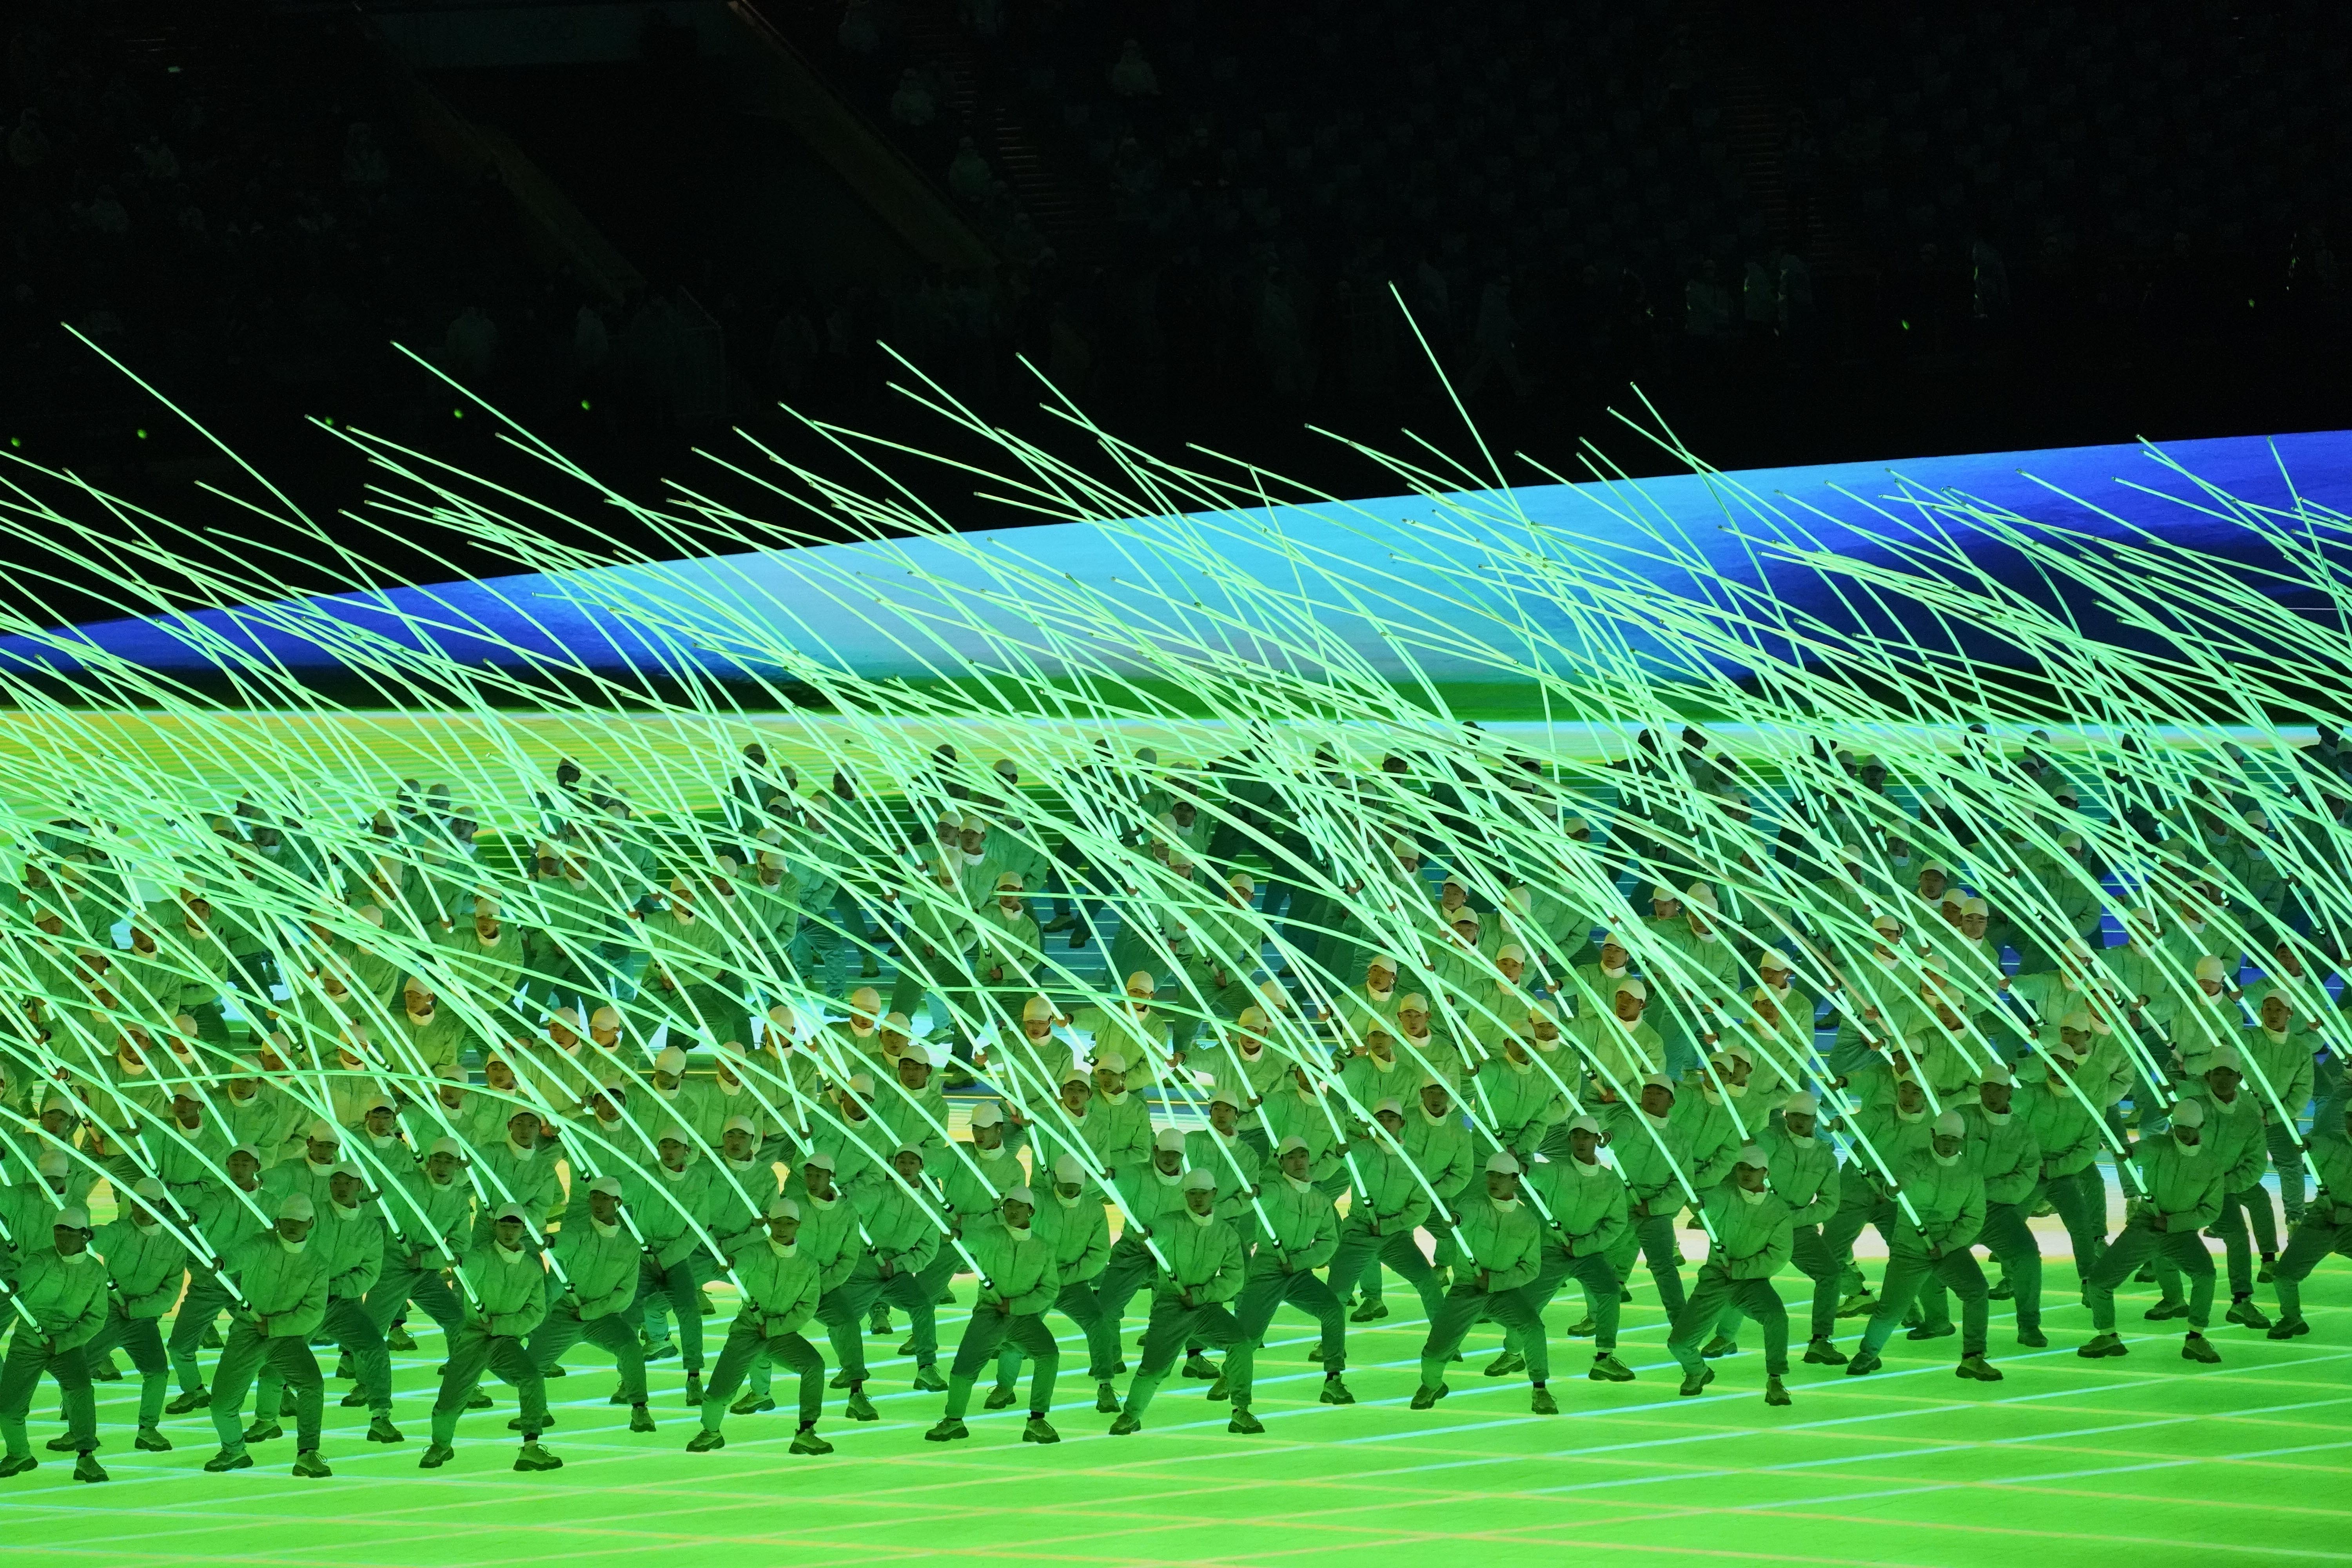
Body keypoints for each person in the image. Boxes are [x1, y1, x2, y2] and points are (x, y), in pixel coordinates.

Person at [1846, 1111, 1998, 1381]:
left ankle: (1974, 1358)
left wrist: (1949, 1245)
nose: (1949, 1144)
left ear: (1963, 1141)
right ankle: (1868, 1354)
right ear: (1932, 1135)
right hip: (1910, 1248)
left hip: (1948, 1248)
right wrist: (1895, 1190)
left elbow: (1974, 1218)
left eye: (1955, 1139)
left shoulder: (1971, 1174)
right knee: (1891, 1309)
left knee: (1977, 1290)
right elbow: (1905, 1179)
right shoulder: (1915, 1159)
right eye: (1944, 1138)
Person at [1213, 1136, 1351, 1430]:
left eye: (1303, 1155)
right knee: (1248, 1339)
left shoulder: (1320, 1199)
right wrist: (1254, 1193)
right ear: (1281, 1163)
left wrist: (1301, 1263)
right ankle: (1237, 1396)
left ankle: (1333, 1380)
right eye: (1291, 1157)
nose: (1299, 1161)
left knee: (1332, 1310)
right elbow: (1264, 1195)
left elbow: (1329, 1241)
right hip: (1267, 1269)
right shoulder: (1275, 1189)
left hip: (1298, 1271)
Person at [2079, 1098, 2227, 1365]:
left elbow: (2211, 1211)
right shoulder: (2160, 1146)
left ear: (2201, 1127)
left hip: (2181, 1234)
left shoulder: (2212, 1164)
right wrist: (2128, 1153)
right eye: (2178, 1126)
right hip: (2145, 1227)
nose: (2182, 1132)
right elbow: (2141, 1151)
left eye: (2188, 1128)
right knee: (2099, 1282)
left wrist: (2173, 1224)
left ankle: (2196, 1338)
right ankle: (2107, 1335)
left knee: (2206, 1275)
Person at [420, 1201, 561, 1471]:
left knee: (531, 1378)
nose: (509, 1231)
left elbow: (536, 1313)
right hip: (472, 1338)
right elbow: (468, 1264)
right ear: (495, 1226)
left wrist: (500, 1325)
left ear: (524, 1230)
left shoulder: (532, 1269)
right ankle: (441, 1445)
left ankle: (531, 1448)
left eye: (515, 1225)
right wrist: (457, 1261)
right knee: (450, 1402)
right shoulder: (482, 1255)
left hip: (504, 1339)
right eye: (504, 1224)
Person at [1413, 1152, 1556, 1415]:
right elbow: (1462, 1216)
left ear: (1516, 1181)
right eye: (1491, 1175)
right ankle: (1432, 1385)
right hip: (1467, 1290)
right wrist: (1454, 1220)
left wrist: (1496, 1281)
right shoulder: (1473, 1204)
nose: (1494, 1180)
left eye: (1502, 1176)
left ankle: (1540, 1389)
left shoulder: (1529, 1222)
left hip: (1503, 1292)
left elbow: (1531, 1268)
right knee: (1434, 1354)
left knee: (1534, 1328)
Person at [203, 1192, 332, 1477]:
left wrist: (275, 1327)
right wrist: (223, 1262)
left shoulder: (317, 1263)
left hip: (286, 1337)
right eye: (287, 1220)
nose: (293, 1226)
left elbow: (313, 1313)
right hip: (247, 1332)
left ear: (311, 1223)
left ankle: (308, 1454)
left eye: (299, 1221)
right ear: (277, 1221)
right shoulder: (262, 1244)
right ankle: (234, 1450)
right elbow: (240, 1255)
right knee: (222, 1405)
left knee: (312, 1385)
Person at [690, 1196, 832, 1455]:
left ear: (798, 1225)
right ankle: (710, 1432)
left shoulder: (808, 1264)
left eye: (789, 1223)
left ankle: (807, 1431)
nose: (783, 1228)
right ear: (770, 1223)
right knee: (719, 1393)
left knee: (814, 1365)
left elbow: (807, 1308)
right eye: (778, 1222)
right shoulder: (756, 1251)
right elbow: (740, 1260)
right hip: (747, 1333)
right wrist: (731, 1262)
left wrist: (775, 1328)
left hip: (782, 1334)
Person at [1109, 1169, 1245, 1436]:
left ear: (1214, 1194)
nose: (1197, 1199)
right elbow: (1155, 1234)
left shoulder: (1226, 1234)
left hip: (1206, 1307)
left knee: (1241, 1344)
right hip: (1172, 1306)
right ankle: (1131, 1415)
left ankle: (1242, 1410)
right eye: (1192, 1193)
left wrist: (1202, 1295)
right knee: (1153, 1369)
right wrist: (1148, 1235)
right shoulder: (1169, 1222)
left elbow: (1235, 1278)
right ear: (1185, 1195)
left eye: (1203, 1193)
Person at [927, 1187, 1062, 1445]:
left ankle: (1037, 1420)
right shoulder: (992, 1236)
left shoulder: (1043, 1248)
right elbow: (970, 1239)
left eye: (1019, 1207)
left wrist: (1015, 1306)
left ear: (1031, 1212)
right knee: (963, 1368)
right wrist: (955, 1235)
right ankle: (953, 1421)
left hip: (1023, 1317)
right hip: (989, 1314)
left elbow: (1048, 1290)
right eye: (1008, 1206)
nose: (1012, 1211)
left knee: (1049, 1356)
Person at [1666, 1147, 1795, 1405]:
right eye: (1742, 1168)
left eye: (1753, 1169)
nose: (1747, 1174)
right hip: (1716, 1280)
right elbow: (1711, 1204)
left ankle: (1776, 1379)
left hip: (1751, 1283)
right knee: (1679, 1345)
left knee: (1777, 1317)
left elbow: (1779, 1255)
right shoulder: (1726, 1194)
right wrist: (1700, 1206)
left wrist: (1740, 1270)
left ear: (1765, 1173)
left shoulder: (1778, 1210)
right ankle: (1697, 1371)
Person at [1511, 1112, 1634, 1381]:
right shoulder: (1556, 1170)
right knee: (1529, 1305)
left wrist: (1583, 1246)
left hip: (1589, 1253)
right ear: (1569, 1140)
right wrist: (1518, 1165)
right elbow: (1531, 1174)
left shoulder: (1611, 1181)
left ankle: (1604, 1358)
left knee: (1610, 1293)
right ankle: (1511, 1353)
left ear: (1596, 1139)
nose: (1581, 1141)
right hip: (1553, 1251)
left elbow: (1616, 1224)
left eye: (1587, 1137)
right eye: (1576, 1136)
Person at [526, 1175, 654, 1431]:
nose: (598, 1202)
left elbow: (625, 1294)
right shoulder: (577, 1230)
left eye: (605, 1198)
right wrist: (551, 1243)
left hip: (602, 1316)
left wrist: (591, 1311)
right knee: (530, 1366)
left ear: (618, 1203)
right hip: (566, 1313)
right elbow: (565, 1244)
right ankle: (537, 1413)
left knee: (630, 1347)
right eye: (594, 1197)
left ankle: (640, 1410)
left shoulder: (629, 1246)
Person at [78, 1178, 186, 1456]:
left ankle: (148, 1430)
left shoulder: (174, 1245)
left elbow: (170, 1293)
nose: (143, 1209)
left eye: (150, 1204)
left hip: (142, 1319)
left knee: (158, 1372)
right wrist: (88, 1236)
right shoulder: (121, 1230)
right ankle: (75, 1429)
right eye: (138, 1203)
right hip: (109, 1311)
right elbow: (104, 1236)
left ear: (162, 1205)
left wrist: (137, 1310)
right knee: (80, 1369)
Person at [0, 1206, 108, 1482]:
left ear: (85, 1236)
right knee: (8, 1407)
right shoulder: (42, 1259)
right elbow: (27, 1275)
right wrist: (14, 1284)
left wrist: (62, 1343)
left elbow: (96, 1319)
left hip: (67, 1344)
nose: (62, 1238)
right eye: (58, 1232)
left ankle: (86, 1456)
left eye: (69, 1233)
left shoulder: (96, 1273)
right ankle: (19, 1454)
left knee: (81, 1389)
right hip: (28, 1342)